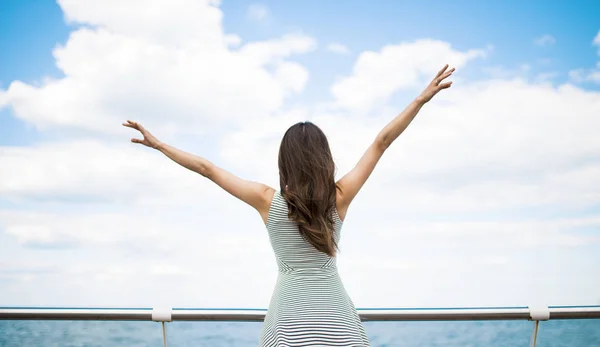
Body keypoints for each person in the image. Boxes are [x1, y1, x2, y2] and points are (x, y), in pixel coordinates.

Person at [124, 64, 455, 346]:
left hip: (288, 319)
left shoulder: (267, 200)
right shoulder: (339, 196)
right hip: (336, 317)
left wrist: (158, 144)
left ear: (284, 160)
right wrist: (419, 100)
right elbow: (381, 143)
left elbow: (207, 168)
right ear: (324, 158)